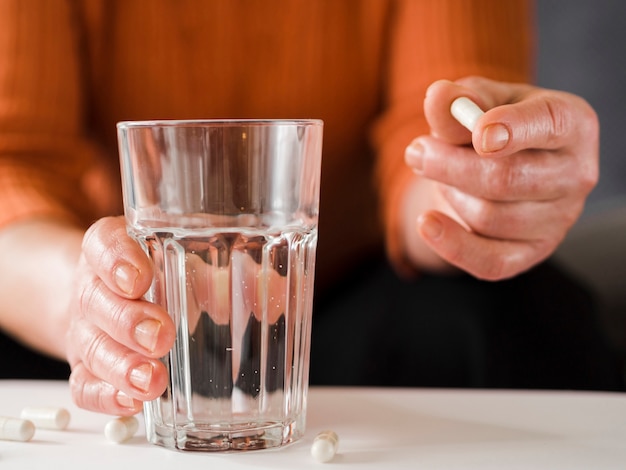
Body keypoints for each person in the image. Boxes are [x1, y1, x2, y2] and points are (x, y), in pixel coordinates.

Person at [0, 0, 620, 416]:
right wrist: (90, 303)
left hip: (351, 294)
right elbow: (13, 163)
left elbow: (425, 137)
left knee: (520, 316)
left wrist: (481, 185)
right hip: (105, 291)